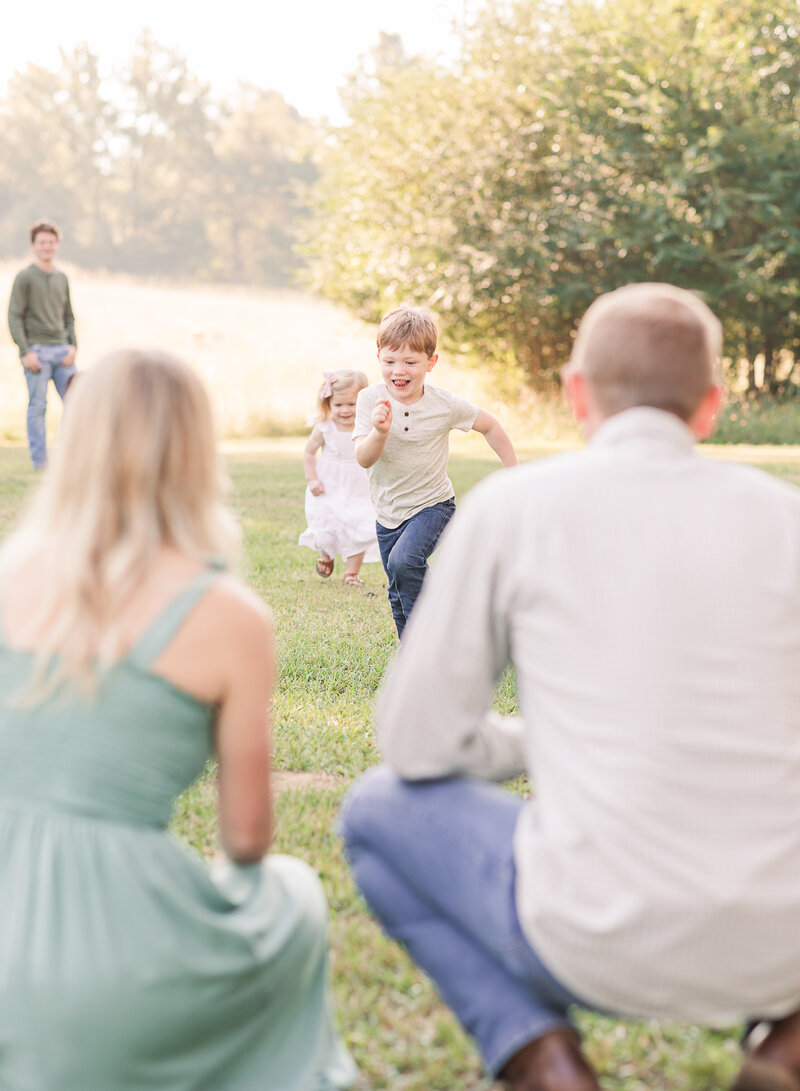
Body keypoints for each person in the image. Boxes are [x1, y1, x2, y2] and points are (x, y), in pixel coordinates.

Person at [341, 283, 800, 1091]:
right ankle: (785, 1047)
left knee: (378, 808)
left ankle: (542, 1059)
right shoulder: (784, 517)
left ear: (577, 395)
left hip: (585, 934)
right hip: (782, 944)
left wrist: (546, 737)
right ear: (712, 405)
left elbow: (415, 745)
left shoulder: (515, 509)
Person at [0, 349, 357, 1091]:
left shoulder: (9, 573)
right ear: (197, 452)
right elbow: (247, 839)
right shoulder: (227, 616)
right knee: (292, 895)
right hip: (111, 978)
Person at [354, 304, 518, 636]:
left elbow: (491, 426)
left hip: (433, 506)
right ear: (378, 358)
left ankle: (438, 633)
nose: (399, 370)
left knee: (404, 563)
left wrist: (513, 472)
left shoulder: (444, 405)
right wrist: (379, 432)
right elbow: (363, 458)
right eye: (389, 361)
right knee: (398, 587)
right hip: (387, 514)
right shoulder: (369, 400)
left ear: (431, 362)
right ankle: (413, 655)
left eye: (410, 362)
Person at [7, 219, 78, 470]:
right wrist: (25, 352)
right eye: (42, 242)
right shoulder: (25, 277)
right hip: (36, 352)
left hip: (62, 351)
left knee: (77, 403)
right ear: (33, 245)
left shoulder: (62, 277)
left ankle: (70, 459)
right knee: (38, 407)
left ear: (57, 245)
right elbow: (14, 316)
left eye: (51, 242)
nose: (47, 246)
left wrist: (73, 346)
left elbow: (68, 316)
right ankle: (40, 462)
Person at [299, 369, 380, 586]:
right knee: (327, 522)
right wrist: (312, 479)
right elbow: (309, 453)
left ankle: (351, 574)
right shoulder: (325, 427)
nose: (345, 410)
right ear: (328, 405)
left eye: (351, 404)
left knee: (360, 526)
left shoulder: (368, 427)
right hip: (328, 484)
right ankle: (326, 554)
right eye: (338, 405)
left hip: (359, 486)